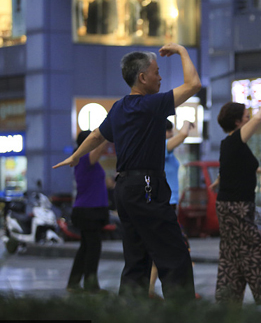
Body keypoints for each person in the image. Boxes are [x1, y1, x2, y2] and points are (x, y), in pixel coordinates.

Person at [54, 43, 201, 300]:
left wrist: (76, 156)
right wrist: (181, 51)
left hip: (125, 190)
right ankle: (183, 316)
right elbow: (193, 85)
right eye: (156, 72)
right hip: (147, 187)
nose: (161, 77)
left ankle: (129, 314)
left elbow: (98, 135)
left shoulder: (119, 107)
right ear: (142, 77)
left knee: (137, 261)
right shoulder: (151, 105)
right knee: (175, 257)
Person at [213, 103, 261, 313]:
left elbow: (231, 170)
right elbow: (260, 117)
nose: (249, 117)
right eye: (246, 115)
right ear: (238, 121)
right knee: (257, 248)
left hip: (235, 206)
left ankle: (227, 304)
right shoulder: (234, 140)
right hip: (235, 207)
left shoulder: (233, 145)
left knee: (232, 255)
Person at [149, 119, 194, 298]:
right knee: (170, 246)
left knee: (162, 246)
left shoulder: (166, 149)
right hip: (167, 202)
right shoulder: (162, 147)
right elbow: (183, 135)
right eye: (169, 132)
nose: (172, 135)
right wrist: (186, 123)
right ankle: (164, 289)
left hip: (170, 202)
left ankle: (151, 288)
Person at [66, 130, 110, 293]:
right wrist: (107, 132)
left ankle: (74, 283)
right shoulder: (84, 157)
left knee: (86, 247)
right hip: (89, 211)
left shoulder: (84, 160)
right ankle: (91, 285)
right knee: (93, 248)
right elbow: (98, 150)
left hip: (90, 209)